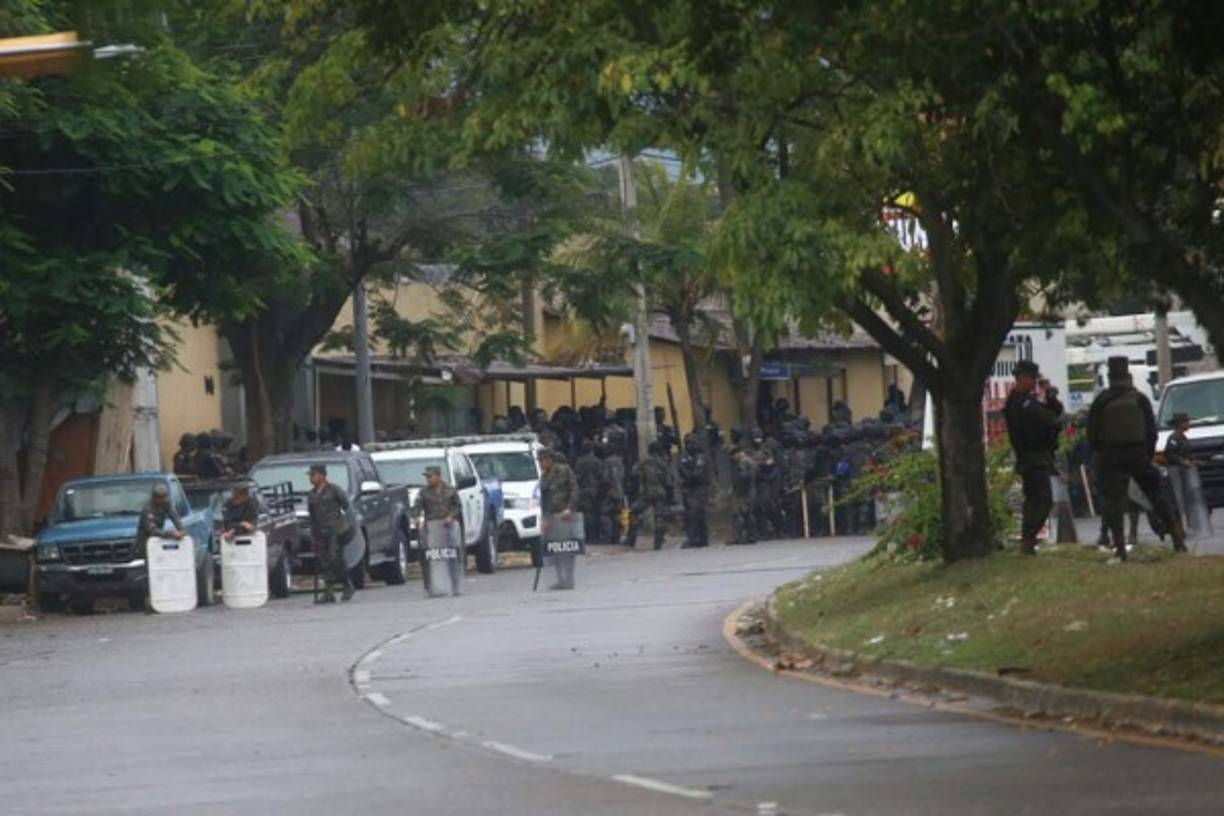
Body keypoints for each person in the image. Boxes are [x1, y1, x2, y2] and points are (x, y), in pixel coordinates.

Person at [1087, 357, 1185, 559]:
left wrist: (1103, 454)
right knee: (1157, 497)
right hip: (1137, 454)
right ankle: (1177, 539)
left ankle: (1120, 548)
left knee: (1114, 503)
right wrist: (1146, 455)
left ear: (1109, 377)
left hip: (1111, 457)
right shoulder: (1140, 399)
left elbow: (1092, 434)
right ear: (1128, 377)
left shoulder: (1101, 401)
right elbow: (1151, 431)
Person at [1003, 360, 1064, 555]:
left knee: (1037, 500)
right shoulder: (1019, 402)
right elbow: (1049, 420)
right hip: (1031, 456)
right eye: (1032, 378)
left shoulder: (1029, 400)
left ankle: (1028, 541)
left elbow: (1054, 414)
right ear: (1021, 378)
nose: (1034, 382)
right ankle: (1028, 540)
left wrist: (1051, 396)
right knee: (1042, 500)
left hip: (1039, 455)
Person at [307, 464, 356, 603]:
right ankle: (329, 592)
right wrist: (313, 534)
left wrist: (346, 526)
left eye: (313, 475)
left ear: (322, 475)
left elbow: (347, 507)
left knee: (336, 559)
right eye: (310, 475)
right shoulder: (312, 494)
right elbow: (312, 516)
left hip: (335, 530)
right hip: (320, 532)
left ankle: (347, 585)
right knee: (324, 560)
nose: (311, 478)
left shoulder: (334, 490)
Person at [414, 465, 463, 596]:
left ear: (438, 476)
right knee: (433, 558)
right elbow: (417, 507)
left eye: (430, 476)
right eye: (427, 477)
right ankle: (433, 588)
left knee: (451, 556)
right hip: (433, 528)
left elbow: (458, 507)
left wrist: (451, 516)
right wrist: (417, 518)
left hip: (448, 528)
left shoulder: (450, 490)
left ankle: (455, 585)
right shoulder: (423, 493)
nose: (428, 479)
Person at [538, 448, 581, 588]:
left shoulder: (564, 471)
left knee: (568, 549)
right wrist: (544, 518)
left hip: (565, 516)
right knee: (553, 550)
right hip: (552, 517)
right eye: (539, 461)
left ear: (551, 459)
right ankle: (560, 579)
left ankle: (569, 578)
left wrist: (569, 508)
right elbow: (543, 500)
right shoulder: (543, 478)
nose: (541, 463)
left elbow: (574, 490)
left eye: (544, 460)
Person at [623, 441, 674, 549]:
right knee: (660, 517)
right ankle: (658, 542)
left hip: (648, 493)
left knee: (634, 512)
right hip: (661, 492)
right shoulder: (663, 463)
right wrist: (670, 498)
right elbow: (669, 482)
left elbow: (634, 475)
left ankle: (631, 539)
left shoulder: (644, 462)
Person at [1164, 412, 1200, 533]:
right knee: (1177, 502)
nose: (1188, 424)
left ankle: (1191, 527)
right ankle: (1179, 529)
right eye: (1186, 422)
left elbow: (1185, 453)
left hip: (1185, 474)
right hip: (1177, 475)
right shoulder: (1174, 438)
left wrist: (1193, 461)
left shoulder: (1183, 438)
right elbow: (1170, 454)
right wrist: (1182, 462)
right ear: (1180, 424)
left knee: (1188, 500)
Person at [135, 484, 186, 560]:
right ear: (155, 498)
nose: (162, 501)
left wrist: (181, 530)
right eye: (159, 498)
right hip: (146, 541)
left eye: (163, 498)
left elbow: (174, 516)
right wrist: (171, 534)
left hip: (158, 540)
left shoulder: (165, 504)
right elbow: (152, 530)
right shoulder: (148, 509)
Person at [676, 435, 710, 548]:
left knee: (699, 513)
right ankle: (692, 538)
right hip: (688, 488)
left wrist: (690, 475)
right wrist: (689, 475)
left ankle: (702, 538)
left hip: (699, 488)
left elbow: (698, 473)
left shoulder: (700, 457)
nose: (691, 446)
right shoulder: (684, 456)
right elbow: (681, 469)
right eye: (688, 443)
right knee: (690, 514)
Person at [574, 440, 603, 544]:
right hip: (595, 489)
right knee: (594, 513)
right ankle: (594, 535)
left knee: (585, 513)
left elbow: (577, 477)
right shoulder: (597, 461)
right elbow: (601, 476)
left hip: (583, 489)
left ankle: (587, 535)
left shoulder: (579, 461)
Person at [599, 435, 626, 545]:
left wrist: (602, 491)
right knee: (617, 515)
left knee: (604, 514)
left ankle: (608, 537)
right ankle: (617, 537)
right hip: (620, 491)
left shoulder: (607, 461)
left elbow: (605, 478)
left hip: (610, 492)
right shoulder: (620, 460)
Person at [729, 444, 757, 544]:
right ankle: (749, 536)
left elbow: (744, 477)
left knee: (745, 513)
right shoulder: (749, 461)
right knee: (747, 513)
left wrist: (737, 489)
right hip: (749, 490)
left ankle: (747, 536)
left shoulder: (744, 462)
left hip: (745, 491)